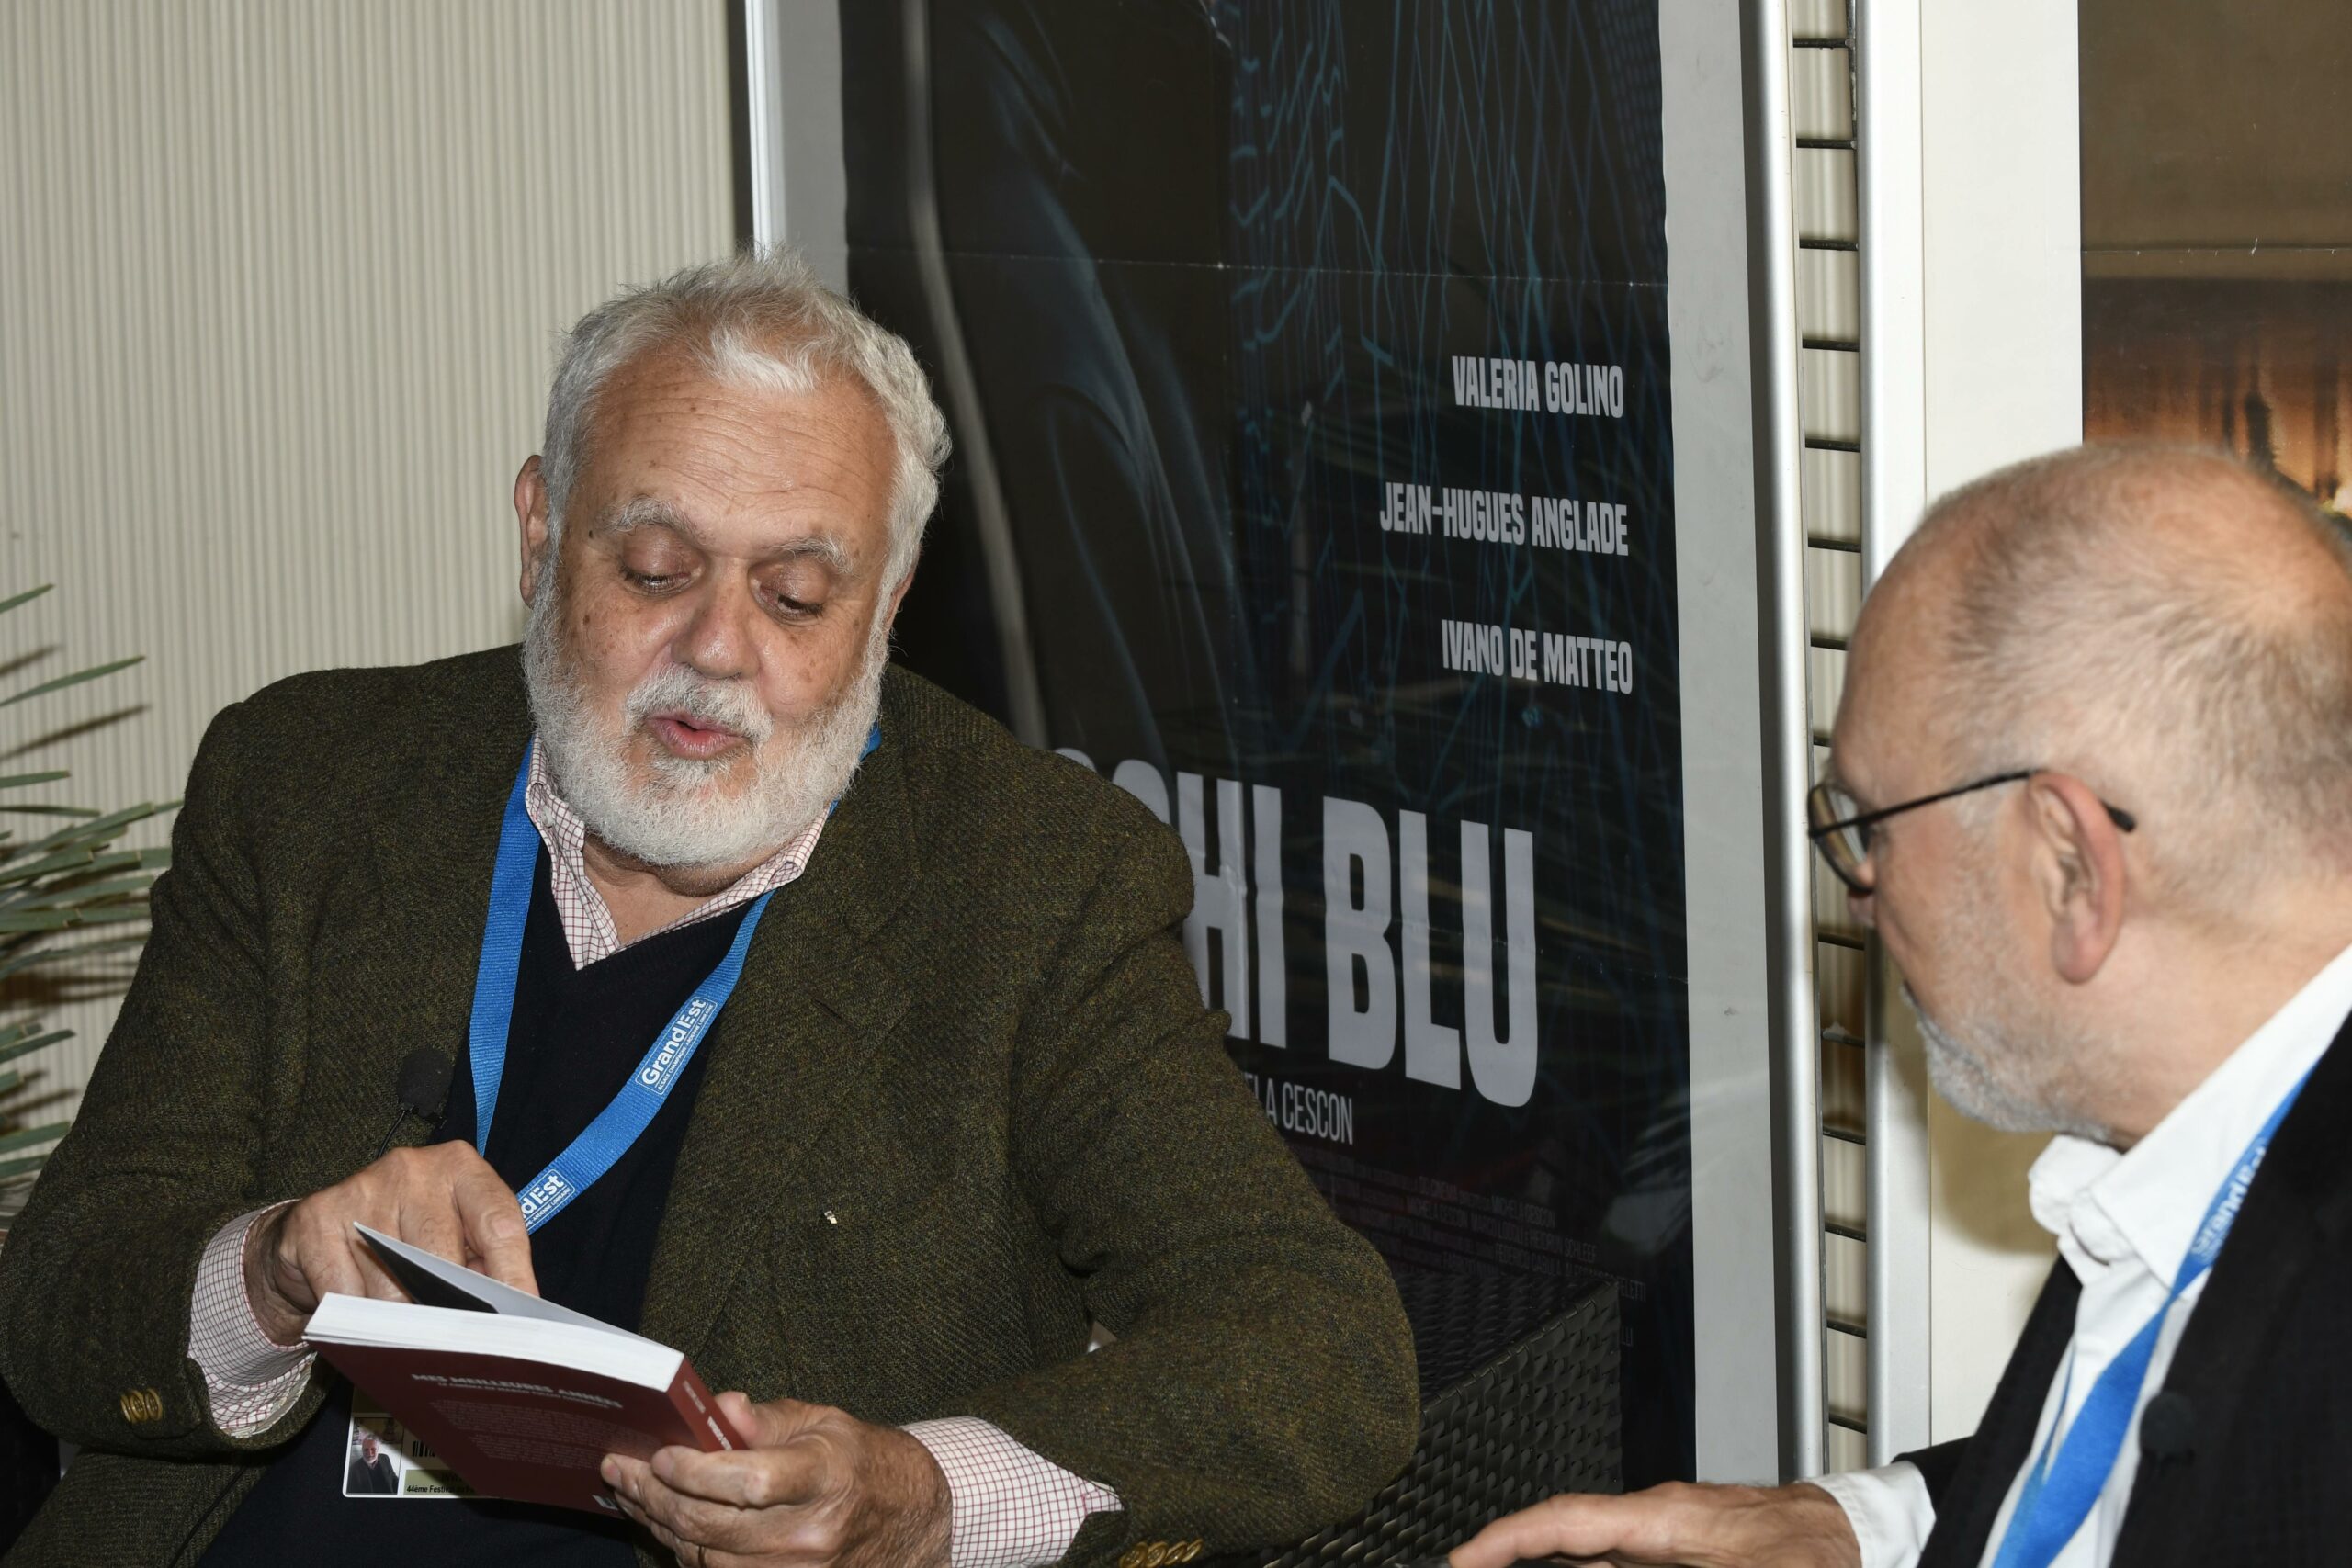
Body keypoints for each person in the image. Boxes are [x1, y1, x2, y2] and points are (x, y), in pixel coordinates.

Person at [0, 249, 1418, 1568]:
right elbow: (62, 1299)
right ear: (540, 531)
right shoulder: (307, 784)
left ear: (888, 601)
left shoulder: (1034, 884)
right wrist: (276, 1270)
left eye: (796, 594)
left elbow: (1316, 1348)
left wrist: (922, 1492)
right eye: (656, 570)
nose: (719, 646)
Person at [1452, 444, 2352, 1568]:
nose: (1858, 893)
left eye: (1870, 826)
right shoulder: (2190, 1126)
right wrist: (1864, 1529)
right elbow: (2170, 1464)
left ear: (2071, 866)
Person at [345, 1431, 398, 1497]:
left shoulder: (385, 1458)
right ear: (362, 1450)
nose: (370, 1453)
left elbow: (394, 1479)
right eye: (366, 1449)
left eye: (373, 1449)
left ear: (378, 1449)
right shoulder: (353, 1469)